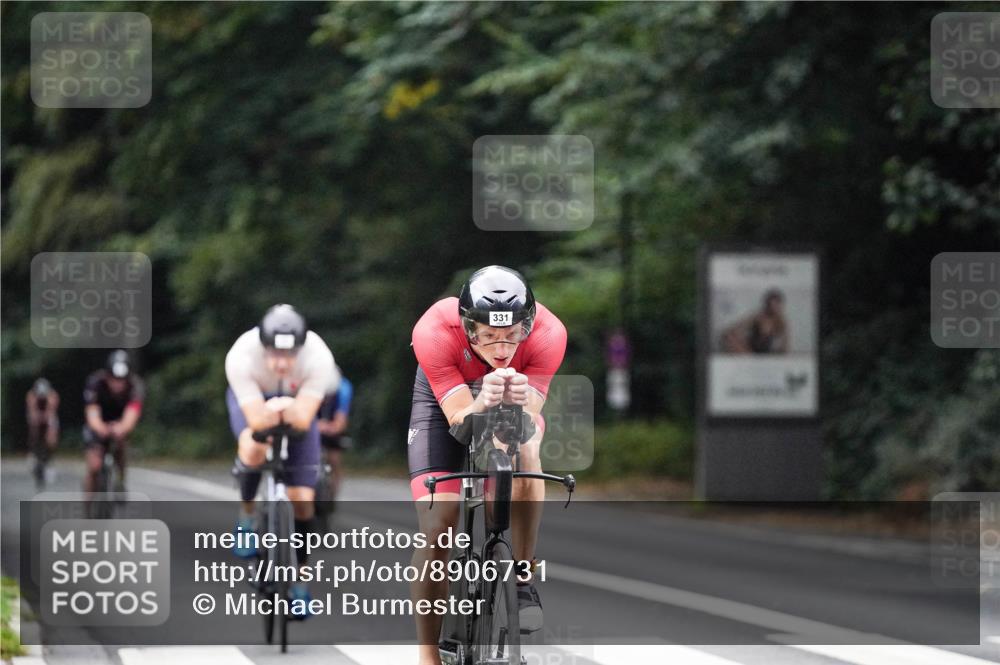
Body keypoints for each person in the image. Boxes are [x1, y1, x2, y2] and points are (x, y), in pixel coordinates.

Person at [408, 265, 566, 664]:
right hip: (450, 403)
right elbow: (460, 425)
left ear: (527, 326)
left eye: (512, 336)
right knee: (438, 527)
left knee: (528, 450)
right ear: (467, 327)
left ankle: (524, 573)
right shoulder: (434, 331)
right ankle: (428, 654)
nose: (500, 349)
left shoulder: (549, 334)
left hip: (511, 398)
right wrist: (482, 401)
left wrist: (514, 400)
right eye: (488, 336)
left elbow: (526, 420)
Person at [225, 304, 338, 617]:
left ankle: (300, 584)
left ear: (300, 350)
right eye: (274, 354)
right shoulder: (241, 355)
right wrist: (269, 415)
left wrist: (288, 411)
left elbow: (302, 422)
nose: (281, 363)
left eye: (289, 355)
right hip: (253, 403)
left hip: (298, 407)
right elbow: (257, 425)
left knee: (303, 499)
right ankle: (247, 517)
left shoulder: (318, 356)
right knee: (253, 448)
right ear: (263, 347)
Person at [83, 350, 144, 497]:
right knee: (94, 466)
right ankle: (88, 504)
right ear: (107, 375)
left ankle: (120, 480)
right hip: (98, 422)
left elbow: (132, 412)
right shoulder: (95, 383)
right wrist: (99, 427)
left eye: (122, 379)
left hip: (120, 422)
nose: (118, 384)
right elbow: (92, 411)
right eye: (114, 379)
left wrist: (122, 427)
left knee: (121, 446)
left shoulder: (135, 386)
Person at [317, 372, 353, 506]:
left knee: (334, 459)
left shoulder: (343, 388)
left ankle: (332, 495)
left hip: (332, 422)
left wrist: (332, 428)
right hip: (313, 417)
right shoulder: (310, 384)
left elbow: (341, 420)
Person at [720, 288, 790, 354]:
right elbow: (737, 326)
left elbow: (785, 345)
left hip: (765, 353)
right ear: (767, 304)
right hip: (749, 350)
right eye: (771, 304)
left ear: (780, 305)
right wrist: (734, 335)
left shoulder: (781, 321)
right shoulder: (757, 317)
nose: (773, 308)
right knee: (728, 336)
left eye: (776, 305)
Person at [26, 377, 60, 489]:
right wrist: (36, 419)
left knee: (51, 436)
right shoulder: (31, 396)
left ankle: (49, 460)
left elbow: (51, 413)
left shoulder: (53, 396)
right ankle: (34, 451)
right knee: (33, 427)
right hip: (37, 416)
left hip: (49, 417)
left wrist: (49, 428)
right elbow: (32, 412)